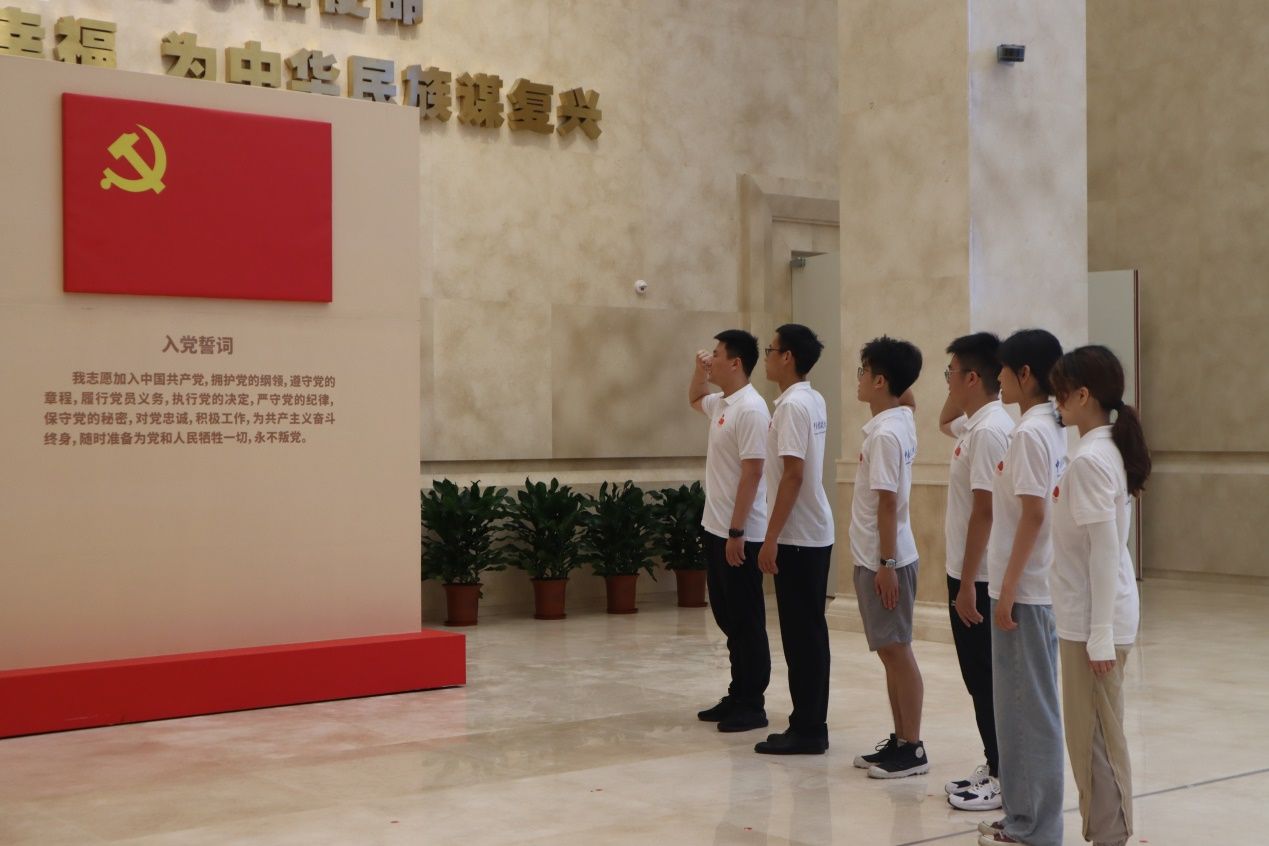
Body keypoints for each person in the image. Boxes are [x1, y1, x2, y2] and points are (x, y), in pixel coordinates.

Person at [1050, 346, 1149, 846]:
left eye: (1061, 392)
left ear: (1083, 395)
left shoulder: (1091, 460)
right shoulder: (1101, 449)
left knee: (1095, 742)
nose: (1056, 402)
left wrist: (1100, 634)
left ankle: (1111, 836)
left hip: (1094, 620)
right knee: (1090, 737)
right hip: (1090, 617)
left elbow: (1106, 549)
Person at [978, 329, 1067, 846]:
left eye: (1005, 371)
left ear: (1025, 374)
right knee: (1019, 708)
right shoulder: (1045, 426)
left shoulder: (1033, 432)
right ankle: (1024, 815)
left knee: (1026, 709)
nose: (999, 379)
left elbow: (1034, 514)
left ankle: (1034, 825)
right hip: (1028, 589)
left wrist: (1007, 588)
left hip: (1025, 593)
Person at [848, 336, 930, 779]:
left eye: (864, 372)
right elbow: (908, 395)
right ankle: (900, 740)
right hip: (880, 557)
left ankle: (912, 748)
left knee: (897, 652)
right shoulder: (902, 417)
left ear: (880, 381)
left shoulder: (885, 434)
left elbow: (887, 503)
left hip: (887, 560)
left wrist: (886, 565)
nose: (859, 379)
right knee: (888, 651)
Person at [937, 333, 1013, 812]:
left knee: (986, 678)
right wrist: (960, 381)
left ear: (972, 377)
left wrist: (966, 584)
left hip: (979, 577)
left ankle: (1005, 775)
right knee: (977, 677)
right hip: (968, 573)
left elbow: (985, 512)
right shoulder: (976, 424)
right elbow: (944, 418)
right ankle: (996, 760)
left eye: (951, 373)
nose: (946, 381)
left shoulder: (988, 432)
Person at [753, 324, 835, 756]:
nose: (766, 356)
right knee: (809, 634)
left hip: (798, 536)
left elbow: (793, 474)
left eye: (771, 349)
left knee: (802, 637)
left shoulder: (791, 407)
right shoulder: (811, 398)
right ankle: (808, 722)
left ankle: (808, 728)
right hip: (811, 533)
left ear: (787, 357)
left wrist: (771, 537)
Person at [689, 329, 772, 733]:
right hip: (716, 527)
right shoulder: (724, 402)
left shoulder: (751, 409)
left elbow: (753, 472)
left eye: (716, 354)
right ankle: (738, 692)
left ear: (736, 362)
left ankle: (752, 703)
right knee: (727, 615)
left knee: (746, 618)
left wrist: (737, 530)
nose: (711, 359)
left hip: (741, 532)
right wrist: (698, 370)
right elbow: (694, 398)